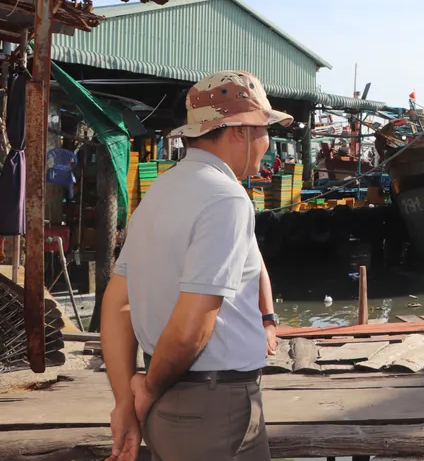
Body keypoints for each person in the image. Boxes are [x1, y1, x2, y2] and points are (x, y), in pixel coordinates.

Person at [100, 70, 289, 461]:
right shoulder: (227, 199)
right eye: (265, 131)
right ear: (242, 130)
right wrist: (147, 389)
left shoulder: (160, 192)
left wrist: (126, 400)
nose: (268, 145)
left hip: (172, 405)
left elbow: (117, 302)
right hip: (212, 407)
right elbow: (192, 328)